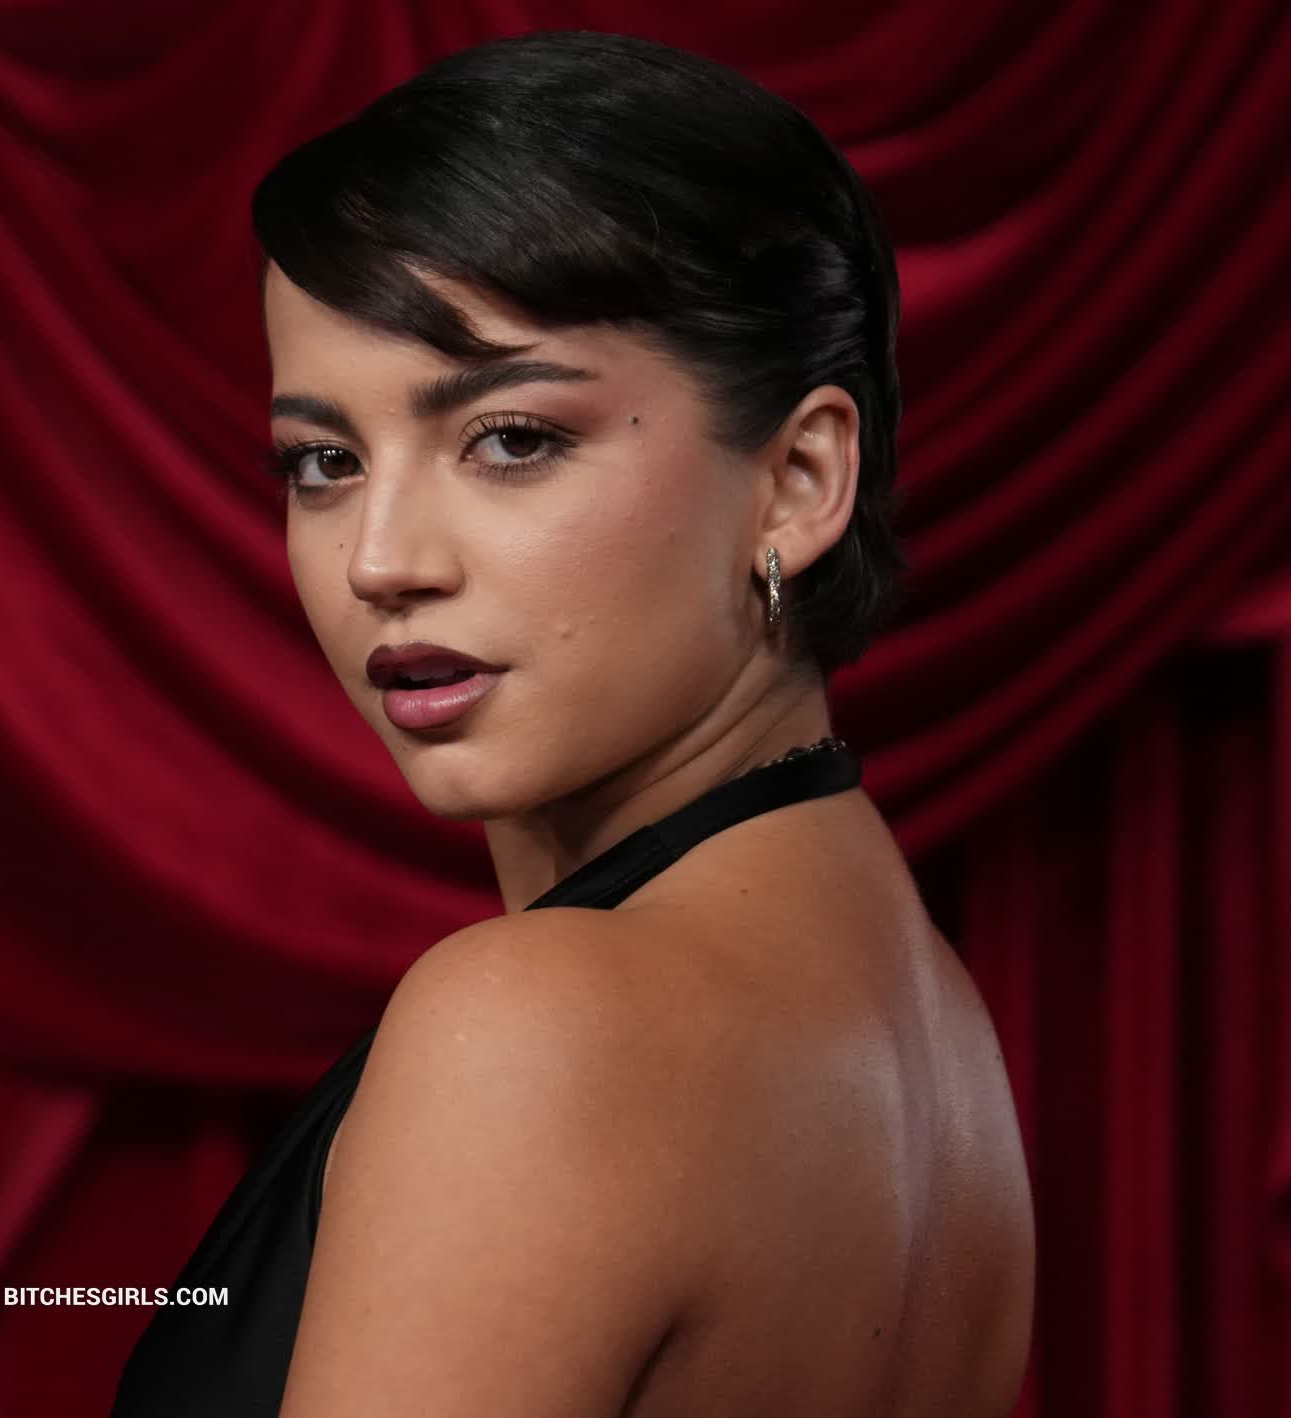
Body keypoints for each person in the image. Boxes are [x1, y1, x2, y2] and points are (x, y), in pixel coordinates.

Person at [110, 27, 1035, 1418]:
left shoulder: (536, 1029)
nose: (380, 561)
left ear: (799, 479)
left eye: (511, 438)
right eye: (324, 460)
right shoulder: (939, 1048)